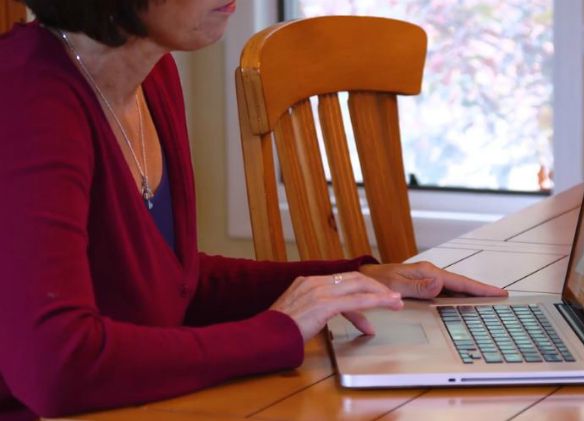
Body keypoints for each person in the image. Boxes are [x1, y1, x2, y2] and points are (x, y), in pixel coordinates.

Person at [0, 1, 507, 419]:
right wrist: (277, 331)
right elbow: (57, 367)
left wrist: (353, 279)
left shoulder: (151, 76)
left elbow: (169, 287)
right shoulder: (29, 100)